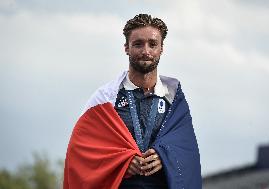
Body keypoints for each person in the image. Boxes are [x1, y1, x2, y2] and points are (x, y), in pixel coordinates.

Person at [63, 14, 201, 189]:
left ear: (161, 48)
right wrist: (121, 161)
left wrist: (164, 157)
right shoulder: (104, 99)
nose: (146, 51)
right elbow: (81, 153)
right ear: (126, 48)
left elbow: (187, 153)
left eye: (152, 44)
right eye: (138, 44)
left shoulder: (173, 99)